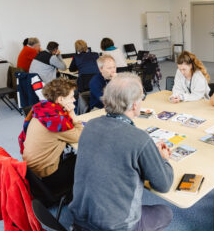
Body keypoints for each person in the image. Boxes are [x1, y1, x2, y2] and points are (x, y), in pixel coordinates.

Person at [69, 73, 174, 231]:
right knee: (166, 212)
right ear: (134, 105)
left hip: (80, 221)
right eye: (141, 98)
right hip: (117, 227)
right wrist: (164, 159)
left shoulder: (90, 125)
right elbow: (163, 185)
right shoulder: (139, 138)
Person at [19, 78, 83, 192]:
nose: (74, 100)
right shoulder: (56, 121)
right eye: (71, 97)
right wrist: (72, 113)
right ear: (60, 99)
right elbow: (80, 135)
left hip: (33, 173)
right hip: (47, 175)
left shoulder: (44, 109)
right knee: (87, 161)